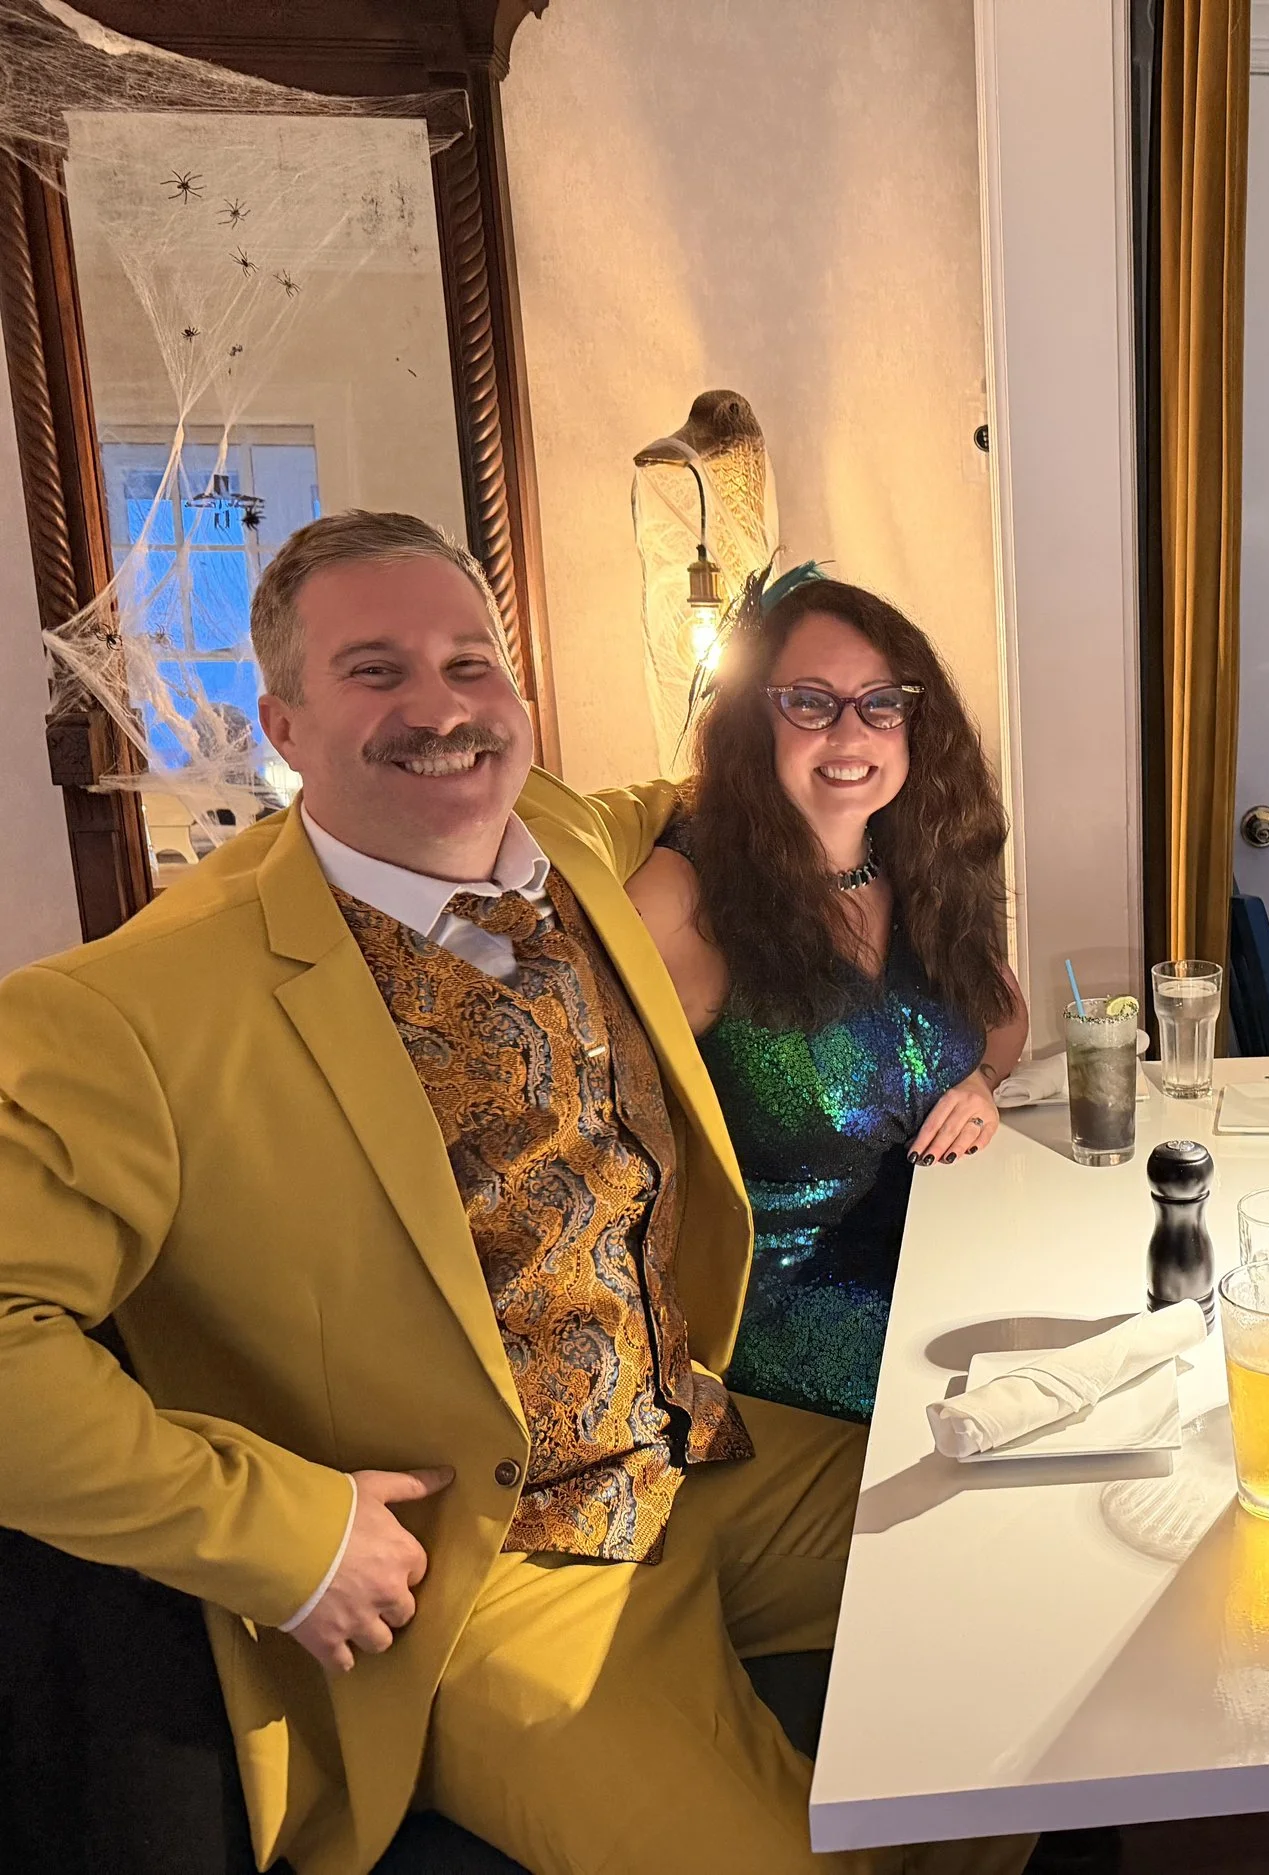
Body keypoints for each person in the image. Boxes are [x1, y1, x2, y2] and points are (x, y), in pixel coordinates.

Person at [0, 511, 1030, 1875]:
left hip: (701, 1454)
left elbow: (728, 779)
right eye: (376, 671)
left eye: (469, 663)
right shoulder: (138, 1003)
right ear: (285, 722)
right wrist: (285, 1538)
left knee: (1035, 1581)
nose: (441, 710)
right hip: (486, 1565)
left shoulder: (568, 834)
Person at [625, 567, 1027, 1425]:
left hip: (943, 1253)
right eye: (810, 702)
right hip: (786, 1309)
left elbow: (1003, 1013)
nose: (852, 731)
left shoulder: (918, 858)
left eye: (882, 702)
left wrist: (980, 1082)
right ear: (754, 719)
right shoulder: (682, 899)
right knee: (1027, 1400)